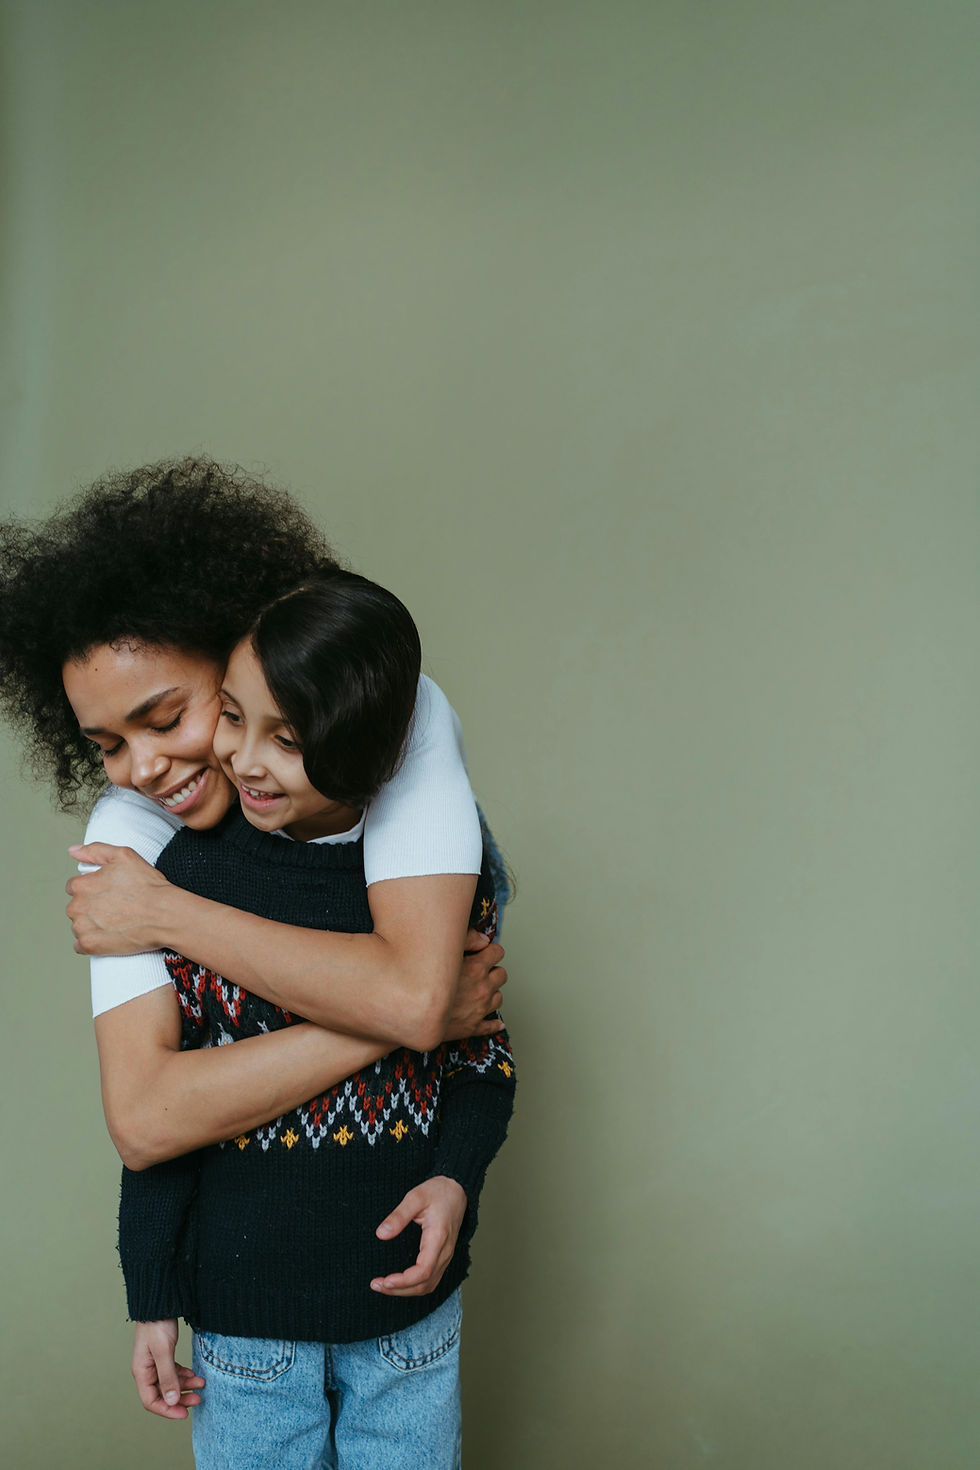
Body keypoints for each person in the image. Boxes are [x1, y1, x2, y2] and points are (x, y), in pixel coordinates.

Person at [0, 460, 511, 1430]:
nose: (144, 767)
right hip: (242, 1325)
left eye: (170, 717)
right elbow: (148, 1123)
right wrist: (417, 1016)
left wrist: (165, 918)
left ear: (248, 657)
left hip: (400, 1318)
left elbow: (440, 1022)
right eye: (106, 744)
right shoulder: (128, 850)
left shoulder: (407, 748)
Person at [114, 569, 514, 1468]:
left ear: (374, 754)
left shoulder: (436, 886)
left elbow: (484, 1060)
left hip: (408, 1329)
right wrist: (152, 1297)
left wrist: (456, 1179)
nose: (245, 759)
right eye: (233, 716)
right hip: (245, 1339)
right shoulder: (192, 877)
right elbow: (166, 1123)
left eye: (287, 740)